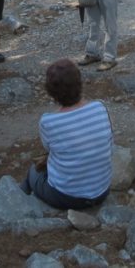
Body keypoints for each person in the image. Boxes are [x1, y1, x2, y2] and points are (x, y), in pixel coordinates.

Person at [21, 59, 113, 210]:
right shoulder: (100, 107)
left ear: (51, 92)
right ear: (79, 84)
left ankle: (19, 199)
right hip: (102, 191)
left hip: (68, 198)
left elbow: (49, 150)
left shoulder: (48, 121)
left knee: (33, 170)